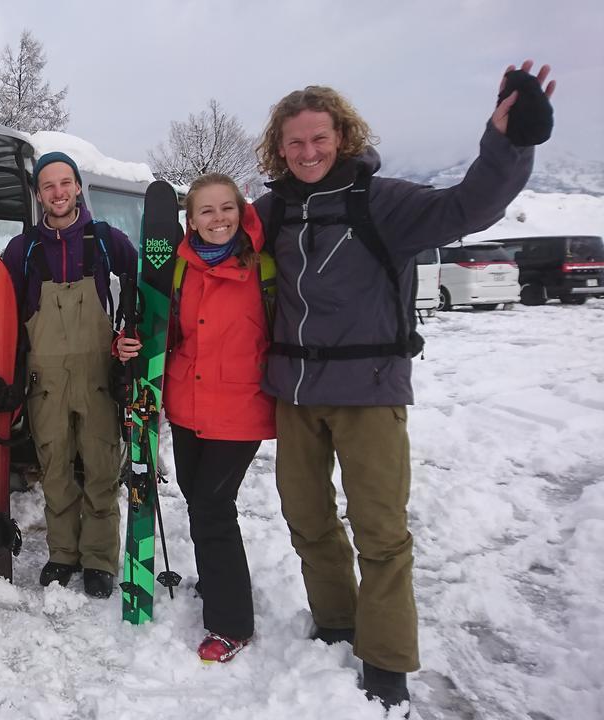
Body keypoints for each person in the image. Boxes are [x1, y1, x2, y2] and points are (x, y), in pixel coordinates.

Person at [254, 62, 554, 709]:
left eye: (319, 138)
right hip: (294, 396)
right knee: (306, 519)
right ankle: (334, 620)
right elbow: (216, 246)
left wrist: (506, 143)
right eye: (296, 141)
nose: (308, 152)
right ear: (279, 147)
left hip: (370, 390)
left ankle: (386, 658)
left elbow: (468, 206)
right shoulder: (270, 209)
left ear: (343, 137)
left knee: (380, 531)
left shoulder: (381, 202)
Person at [121, 173, 275, 663]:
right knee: (197, 497)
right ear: (190, 220)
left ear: (241, 209)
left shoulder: (265, 266)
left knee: (213, 505)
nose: (218, 219)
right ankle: (214, 578)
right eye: (206, 211)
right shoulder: (181, 269)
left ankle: (231, 623)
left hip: (240, 409)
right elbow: (162, 332)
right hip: (186, 405)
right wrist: (126, 345)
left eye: (226, 208)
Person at [0, 152, 137, 599]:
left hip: (96, 372)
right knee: (55, 469)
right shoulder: (24, 250)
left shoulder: (103, 240)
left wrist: (130, 332)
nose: (57, 193)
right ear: (38, 195)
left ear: (78, 187)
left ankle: (98, 559)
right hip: (46, 379)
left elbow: (141, 278)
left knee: (100, 467)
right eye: (48, 186)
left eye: (65, 183)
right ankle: (63, 554)